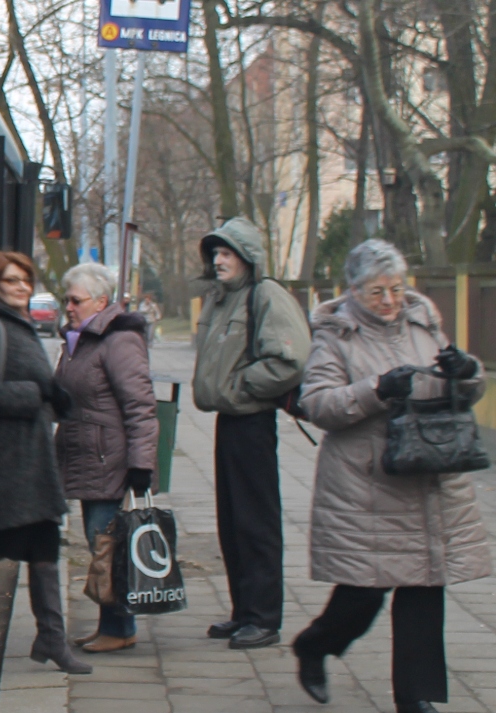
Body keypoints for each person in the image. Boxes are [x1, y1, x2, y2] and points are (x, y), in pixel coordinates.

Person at [291, 239, 491, 713]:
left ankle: (415, 697)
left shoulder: (424, 320)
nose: (389, 301)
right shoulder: (336, 334)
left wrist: (467, 372)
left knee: (424, 587)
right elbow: (317, 403)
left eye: (396, 289)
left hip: (429, 475)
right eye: (378, 291)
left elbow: (463, 383)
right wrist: (377, 389)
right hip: (367, 484)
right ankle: (315, 645)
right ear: (354, 290)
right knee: (363, 592)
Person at [192, 216, 311, 649]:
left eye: (226, 253)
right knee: (232, 521)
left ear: (247, 258)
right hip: (230, 420)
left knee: (256, 522)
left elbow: (289, 359)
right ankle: (244, 611)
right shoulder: (224, 298)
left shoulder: (266, 295)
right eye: (215, 253)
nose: (218, 260)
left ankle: (263, 617)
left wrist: (244, 387)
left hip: (252, 421)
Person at [0, 251, 92, 675]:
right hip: (6, 465)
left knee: (45, 549)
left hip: (31, 462)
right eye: (11, 281)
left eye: (25, 280)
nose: (22, 288)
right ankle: (50, 638)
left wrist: (53, 393)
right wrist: (37, 395)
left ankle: (52, 638)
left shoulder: (20, 323)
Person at [54, 262, 159, 653]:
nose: (69, 306)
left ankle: (119, 628)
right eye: (66, 299)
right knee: (101, 545)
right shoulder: (80, 339)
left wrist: (141, 465)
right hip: (87, 457)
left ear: (100, 301)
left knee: (107, 546)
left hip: (109, 460)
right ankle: (114, 624)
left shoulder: (119, 341)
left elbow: (141, 407)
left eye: (75, 300)